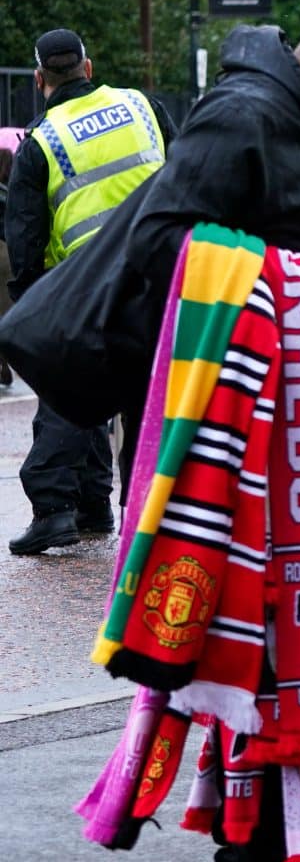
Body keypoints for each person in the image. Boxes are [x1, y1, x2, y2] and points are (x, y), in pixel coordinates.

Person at [0, 0, 300, 862]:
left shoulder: (288, 119)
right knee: (261, 633)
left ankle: (260, 848)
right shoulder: (243, 119)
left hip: (271, 417)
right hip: (233, 420)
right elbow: (177, 251)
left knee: (265, 633)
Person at [5, 29, 172, 554]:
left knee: (68, 388)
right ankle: (113, 505)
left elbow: (26, 234)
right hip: (161, 270)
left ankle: (56, 510)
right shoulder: (142, 107)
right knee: (146, 397)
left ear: (39, 79)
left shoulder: (42, 140)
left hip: (86, 283)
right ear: (89, 67)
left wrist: (35, 301)